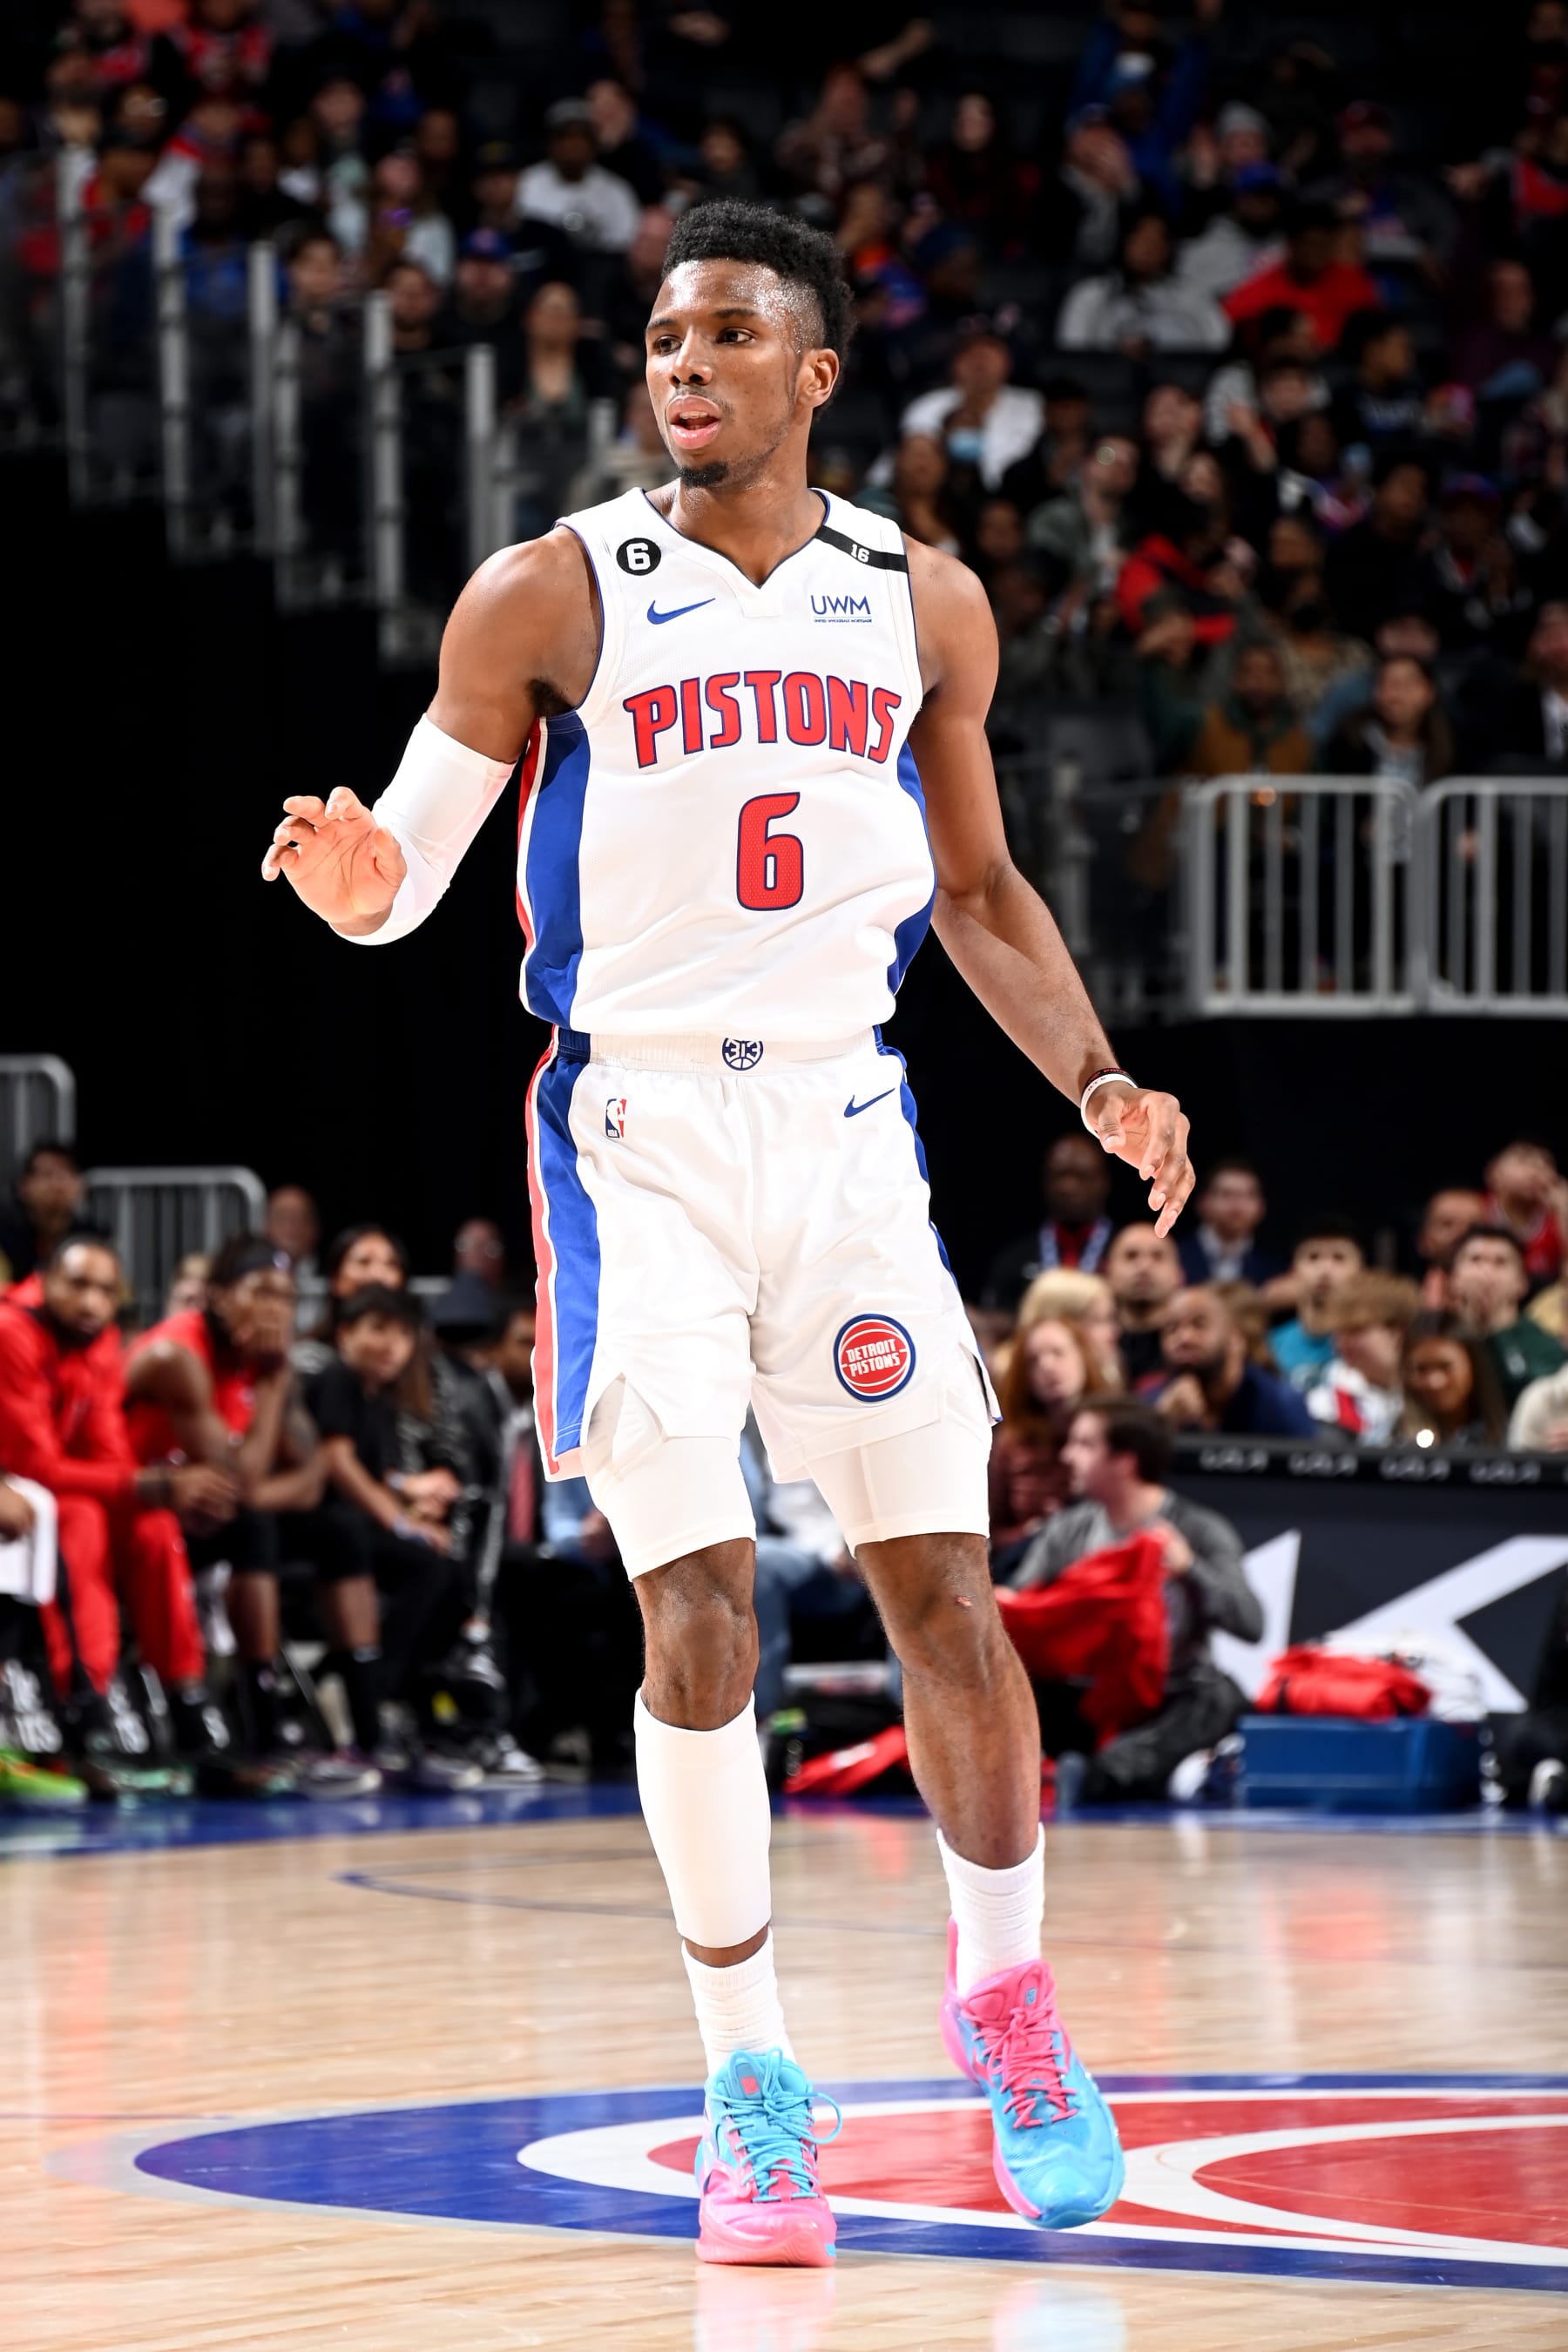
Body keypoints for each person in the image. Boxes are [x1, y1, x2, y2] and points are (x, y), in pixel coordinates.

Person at [260, 200, 1196, 2260]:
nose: (684, 363)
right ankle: (749, 2084)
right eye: (667, 335)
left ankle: (1007, 2001)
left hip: (846, 1131)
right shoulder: (548, 589)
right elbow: (406, 869)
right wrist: (351, 882)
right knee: (699, 1614)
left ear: (815, 371)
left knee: (946, 1592)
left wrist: (1101, 1081)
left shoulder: (924, 602)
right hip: (638, 1136)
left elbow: (981, 892)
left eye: (729, 334)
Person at [123, 1235, 379, 1794]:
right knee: (251, 1526)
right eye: (260, 1291)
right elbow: (243, 1480)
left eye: (286, 1297)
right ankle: (263, 1725)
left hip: (206, 1507)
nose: (275, 1310)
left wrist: (251, 1483)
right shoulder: (179, 1356)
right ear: (217, 1295)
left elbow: (309, 1482)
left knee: (339, 1530)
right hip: (132, 1503)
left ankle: (369, 1730)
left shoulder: (257, 1359)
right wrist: (273, 1383)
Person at [0, 1240, 243, 1774]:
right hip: (20, 1486)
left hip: (58, 1485)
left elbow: (108, 1450)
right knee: (84, 1519)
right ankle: (88, 1703)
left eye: (106, 1291)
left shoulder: (100, 1340)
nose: (91, 1302)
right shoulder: (11, 1330)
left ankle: (186, 1699)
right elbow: (33, 1464)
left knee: (153, 1526)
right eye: (78, 1285)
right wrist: (152, 1483)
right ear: (45, 1280)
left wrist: (151, 1490)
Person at [1011, 1398, 1262, 1802]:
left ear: (1124, 1462)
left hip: (1169, 1694)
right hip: (1087, 1696)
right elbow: (1020, 1611)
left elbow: (1251, 1623)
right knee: (1012, 1682)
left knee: (1220, 1698)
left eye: (1084, 1444)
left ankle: (1096, 1777)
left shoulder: (1198, 1529)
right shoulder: (1068, 1530)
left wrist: (1190, 1568)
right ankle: (1064, 1773)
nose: (1067, 1456)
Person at [301, 1284, 478, 1789]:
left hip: (357, 1523)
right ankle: (371, 1695)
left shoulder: (379, 1397)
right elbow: (338, 1462)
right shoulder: (337, 1378)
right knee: (423, 1565)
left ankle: (388, 1693)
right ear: (345, 1333)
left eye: (402, 1334)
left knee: (449, 1573)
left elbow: (378, 1474)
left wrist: (413, 1499)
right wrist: (403, 1524)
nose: (391, 1345)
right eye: (378, 1329)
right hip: (319, 1524)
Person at [990, 1317, 1104, 1565]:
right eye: (1034, 1361)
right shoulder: (1012, 1442)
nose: (1048, 1366)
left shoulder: (1113, 1426)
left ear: (1083, 1357)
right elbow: (991, 1532)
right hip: (1029, 1565)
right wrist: (1034, 1531)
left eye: (1058, 1353)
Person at [1144, 1287, 1316, 1436]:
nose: (1184, 1338)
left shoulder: (1281, 1404)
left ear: (1235, 1338)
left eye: (1199, 1325)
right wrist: (1161, 1424)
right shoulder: (1153, 1406)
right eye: (1172, 1329)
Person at [1056, 210, 1228, 353]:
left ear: (1168, 250)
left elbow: (1217, 346)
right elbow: (1072, 354)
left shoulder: (1193, 297)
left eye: (1155, 242)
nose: (1147, 249)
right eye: (1140, 239)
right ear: (1125, 243)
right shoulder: (1090, 294)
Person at [1222, 199, 1381, 354]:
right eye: (1311, 244)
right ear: (1291, 244)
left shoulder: (1354, 282)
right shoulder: (1258, 291)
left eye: (1324, 245)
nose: (1317, 253)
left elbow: (1372, 334)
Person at [982, 1133, 1116, 1313]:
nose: (1068, 1187)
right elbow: (995, 1318)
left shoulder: (1127, 1253)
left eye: (1081, 1176)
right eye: (1059, 1176)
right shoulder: (1014, 1259)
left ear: (1104, 1182)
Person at [1446, 1226, 1566, 1408]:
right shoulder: (1437, 1334)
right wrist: (1468, 1326)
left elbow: (1532, 1395)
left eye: (1500, 1262)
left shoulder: (1544, 1344)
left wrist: (1497, 1322)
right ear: (1453, 1278)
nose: (1486, 1272)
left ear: (1522, 1283)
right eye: (1475, 1260)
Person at [1305, 1270, 1422, 1443]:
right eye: (1338, 1333)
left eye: (1355, 1330)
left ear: (1397, 1331)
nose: (1341, 1344)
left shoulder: (1433, 1393)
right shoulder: (1324, 1406)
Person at [517, 98, 639, 254]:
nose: (574, 145)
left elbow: (627, 245)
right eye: (565, 137)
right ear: (550, 143)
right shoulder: (525, 185)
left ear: (594, 144)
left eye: (583, 138)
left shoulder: (616, 191)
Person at [1187, 640, 1314, 780]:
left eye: (1269, 673)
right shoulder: (1207, 725)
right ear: (1235, 679)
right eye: (1249, 672)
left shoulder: (1299, 738)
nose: (1258, 682)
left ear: (1282, 681)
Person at [1323, 652, 1455, 785]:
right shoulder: (1350, 740)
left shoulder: (1453, 742)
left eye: (1408, 684)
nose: (1396, 695)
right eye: (1386, 683)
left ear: (1430, 692)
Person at [1269, 1217, 1367, 1391]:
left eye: (1339, 1258)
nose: (1325, 1269)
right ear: (1293, 1270)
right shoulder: (1269, 1347)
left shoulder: (1370, 1345)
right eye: (1313, 1257)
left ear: (1361, 1271)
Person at [1397, 1315, 1509, 1449]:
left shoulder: (1511, 1436)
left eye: (1445, 1367)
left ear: (1473, 1364)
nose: (1434, 1382)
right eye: (1421, 1369)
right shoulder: (1394, 1438)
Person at [1176, 1159, 1286, 1290]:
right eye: (1226, 1194)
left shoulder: (1275, 1270)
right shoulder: (1175, 1257)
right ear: (1203, 1203)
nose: (1237, 1206)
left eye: (1248, 1195)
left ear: (1261, 1206)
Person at [0, 1141, 91, 1288]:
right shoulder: (5, 1238)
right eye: (47, 1174)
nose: (58, 1184)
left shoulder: (92, 1240)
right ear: (23, 1186)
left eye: (67, 1174)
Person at [1015, 1267, 1122, 1390]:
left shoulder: (1112, 1372)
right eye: (1098, 1320)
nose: (1114, 1333)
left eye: (1111, 1319)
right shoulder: (1005, 1383)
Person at [1104, 1221, 1182, 1384]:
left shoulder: (1191, 1348)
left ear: (1179, 1274)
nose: (1144, 1267)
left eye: (1157, 1257)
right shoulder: (1090, 1349)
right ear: (1108, 1272)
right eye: (1131, 1256)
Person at [1414, 1185, 1489, 1309]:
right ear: (1423, 1240)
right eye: (1447, 1224)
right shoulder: (1403, 1306)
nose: (1461, 1233)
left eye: (1473, 1227)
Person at [264, 1183, 320, 1275]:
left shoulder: (332, 1279)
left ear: (315, 1229)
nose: (291, 1227)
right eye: (283, 1218)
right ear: (265, 1226)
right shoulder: (248, 1277)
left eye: (301, 1219)